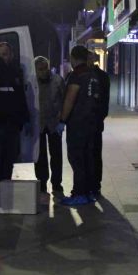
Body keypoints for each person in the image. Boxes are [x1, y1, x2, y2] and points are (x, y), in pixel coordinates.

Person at [56, 45, 101, 206]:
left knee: (77, 158)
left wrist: (62, 120)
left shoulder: (76, 75)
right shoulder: (93, 75)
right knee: (88, 158)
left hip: (78, 123)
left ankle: (79, 193)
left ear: (73, 58)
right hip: (91, 122)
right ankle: (88, 192)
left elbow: (70, 99)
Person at [0, 41, 30, 205]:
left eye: (4, 54)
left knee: (9, 160)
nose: (1, 57)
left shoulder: (15, 71)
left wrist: (26, 119)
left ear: (11, 55)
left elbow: (21, 97)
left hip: (12, 124)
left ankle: (4, 192)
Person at [33, 56, 65, 195]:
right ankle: (42, 182)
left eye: (45, 68)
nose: (44, 71)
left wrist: (62, 120)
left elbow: (64, 99)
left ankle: (56, 183)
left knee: (56, 154)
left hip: (54, 123)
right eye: (40, 69)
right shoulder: (32, 81)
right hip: (38, 123)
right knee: (39, 155)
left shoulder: (57, 80)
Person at [88, 52, 110, 196]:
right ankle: (93, 184)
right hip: (93, 120)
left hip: (94, 121)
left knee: (95, 153)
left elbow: (104, 100)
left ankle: (95, 185)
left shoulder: (101, 76)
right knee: (92, 153)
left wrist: (100, 117)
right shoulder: (101, 75)